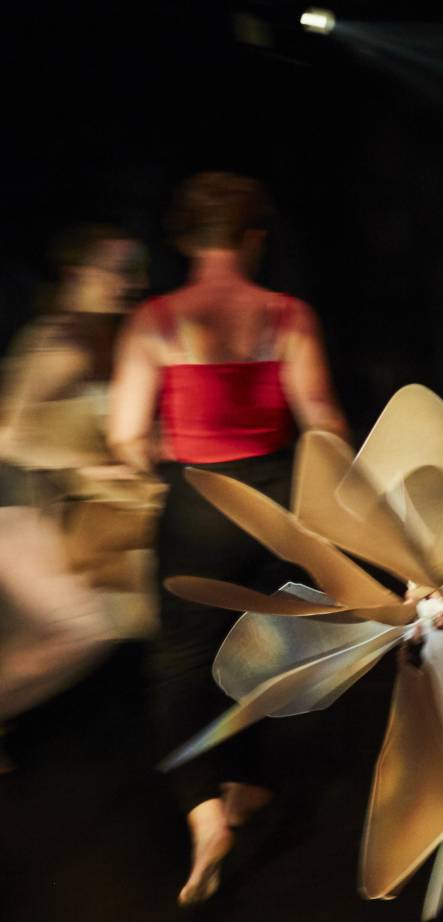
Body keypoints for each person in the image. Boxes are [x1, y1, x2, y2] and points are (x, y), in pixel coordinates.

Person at [107, 172, 348, 905]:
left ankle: (206, 811)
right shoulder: (286, 313)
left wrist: (157, 451)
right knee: (262, 647)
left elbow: (123, 433)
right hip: (273, 497)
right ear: (253, 240)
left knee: (180, 663)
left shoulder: (155, 320)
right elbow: (323, 420)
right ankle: (246, 785)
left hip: (196, 499)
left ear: (185, 239)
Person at [0, 226, 157, 740]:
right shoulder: (58, 342)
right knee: (81, 626)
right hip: (13, 517)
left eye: (132, 270)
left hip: (46, 516)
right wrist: (84, 468)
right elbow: (9, 436)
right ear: (76, 274)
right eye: (115, 269)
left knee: (82, 625)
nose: (127, 282)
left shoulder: (100, 339)